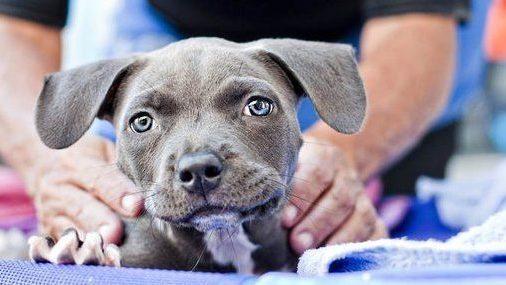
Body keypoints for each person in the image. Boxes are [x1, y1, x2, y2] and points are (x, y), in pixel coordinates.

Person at [0, 0, 472, 255]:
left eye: (256, 107)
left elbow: (414, 29)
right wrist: (52, 167)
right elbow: (15, 29)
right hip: (163, 26)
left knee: (356, 221)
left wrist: (349, 150)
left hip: (374, 57)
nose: (199, 162)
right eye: (143, 122)